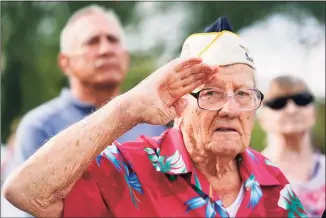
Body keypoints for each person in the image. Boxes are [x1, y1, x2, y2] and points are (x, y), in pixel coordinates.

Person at [3, 17, 307, 217]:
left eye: (243, 94)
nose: (230, 108)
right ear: (178, 105)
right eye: (210, 94)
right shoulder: (129, 168)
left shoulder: (272, 181)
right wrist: (130, 106)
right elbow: (26, 191)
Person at [14, 4, 167, 163]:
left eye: (113, 40)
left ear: (126, 58)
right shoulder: (41, 128)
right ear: (65, 62)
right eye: (92, 41)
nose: (106, 50)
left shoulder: (151, 122)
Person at [258, 75, 325, 217]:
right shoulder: (251, 175)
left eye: (302, 99)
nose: (292, 110)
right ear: (262, 118)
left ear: (314, 112)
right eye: (278, 102)